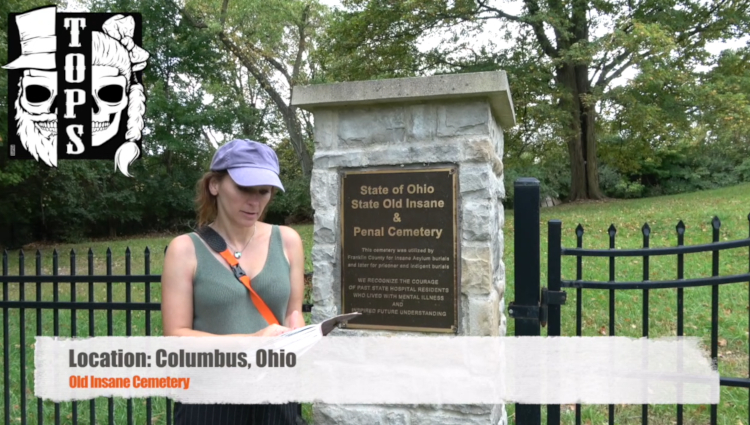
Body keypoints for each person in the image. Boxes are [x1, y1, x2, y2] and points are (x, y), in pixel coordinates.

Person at [161, 139, 307, 424]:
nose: (254, 201)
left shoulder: (288, 241)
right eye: (243, 188)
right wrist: (250, 342)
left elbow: (293, 311)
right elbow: (176, 336)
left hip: (275, 394)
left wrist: (297, 329)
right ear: (215, 185)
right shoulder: (185, 249)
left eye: (264, 191)